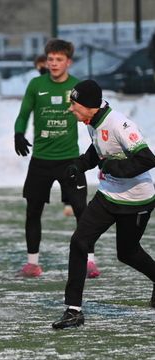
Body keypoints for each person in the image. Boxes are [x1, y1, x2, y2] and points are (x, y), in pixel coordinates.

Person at [52, 79, 155, 329]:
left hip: (137, 199)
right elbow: (98, 150)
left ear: (89, 105)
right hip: (107, 196)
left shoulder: (119, 124)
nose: (71, 109)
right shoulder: (92, 122)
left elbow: (146, 159)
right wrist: (79, 165)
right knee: (79, 242)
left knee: (128, 253)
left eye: (74, 104)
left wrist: (113, 168)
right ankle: (74, 310)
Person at [14, 39, 100, 278]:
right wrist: (18, 133)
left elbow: (93, 117)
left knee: (82, 211)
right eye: (50, 59)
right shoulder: (36, 84)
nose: (53, 63)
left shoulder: (77, 87)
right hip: (40, 160)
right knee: (33, 212)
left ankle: (89, 262)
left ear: (68, 62)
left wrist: (101, 149)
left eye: (59, 59)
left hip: (70, 161)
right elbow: (23, 114)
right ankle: (32, 264)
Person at [34, 54, 73, 217]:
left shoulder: (62, 83)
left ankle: (68, 202)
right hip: (46, 141)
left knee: (66, 175)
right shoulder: (39, 84)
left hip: (63, 140)